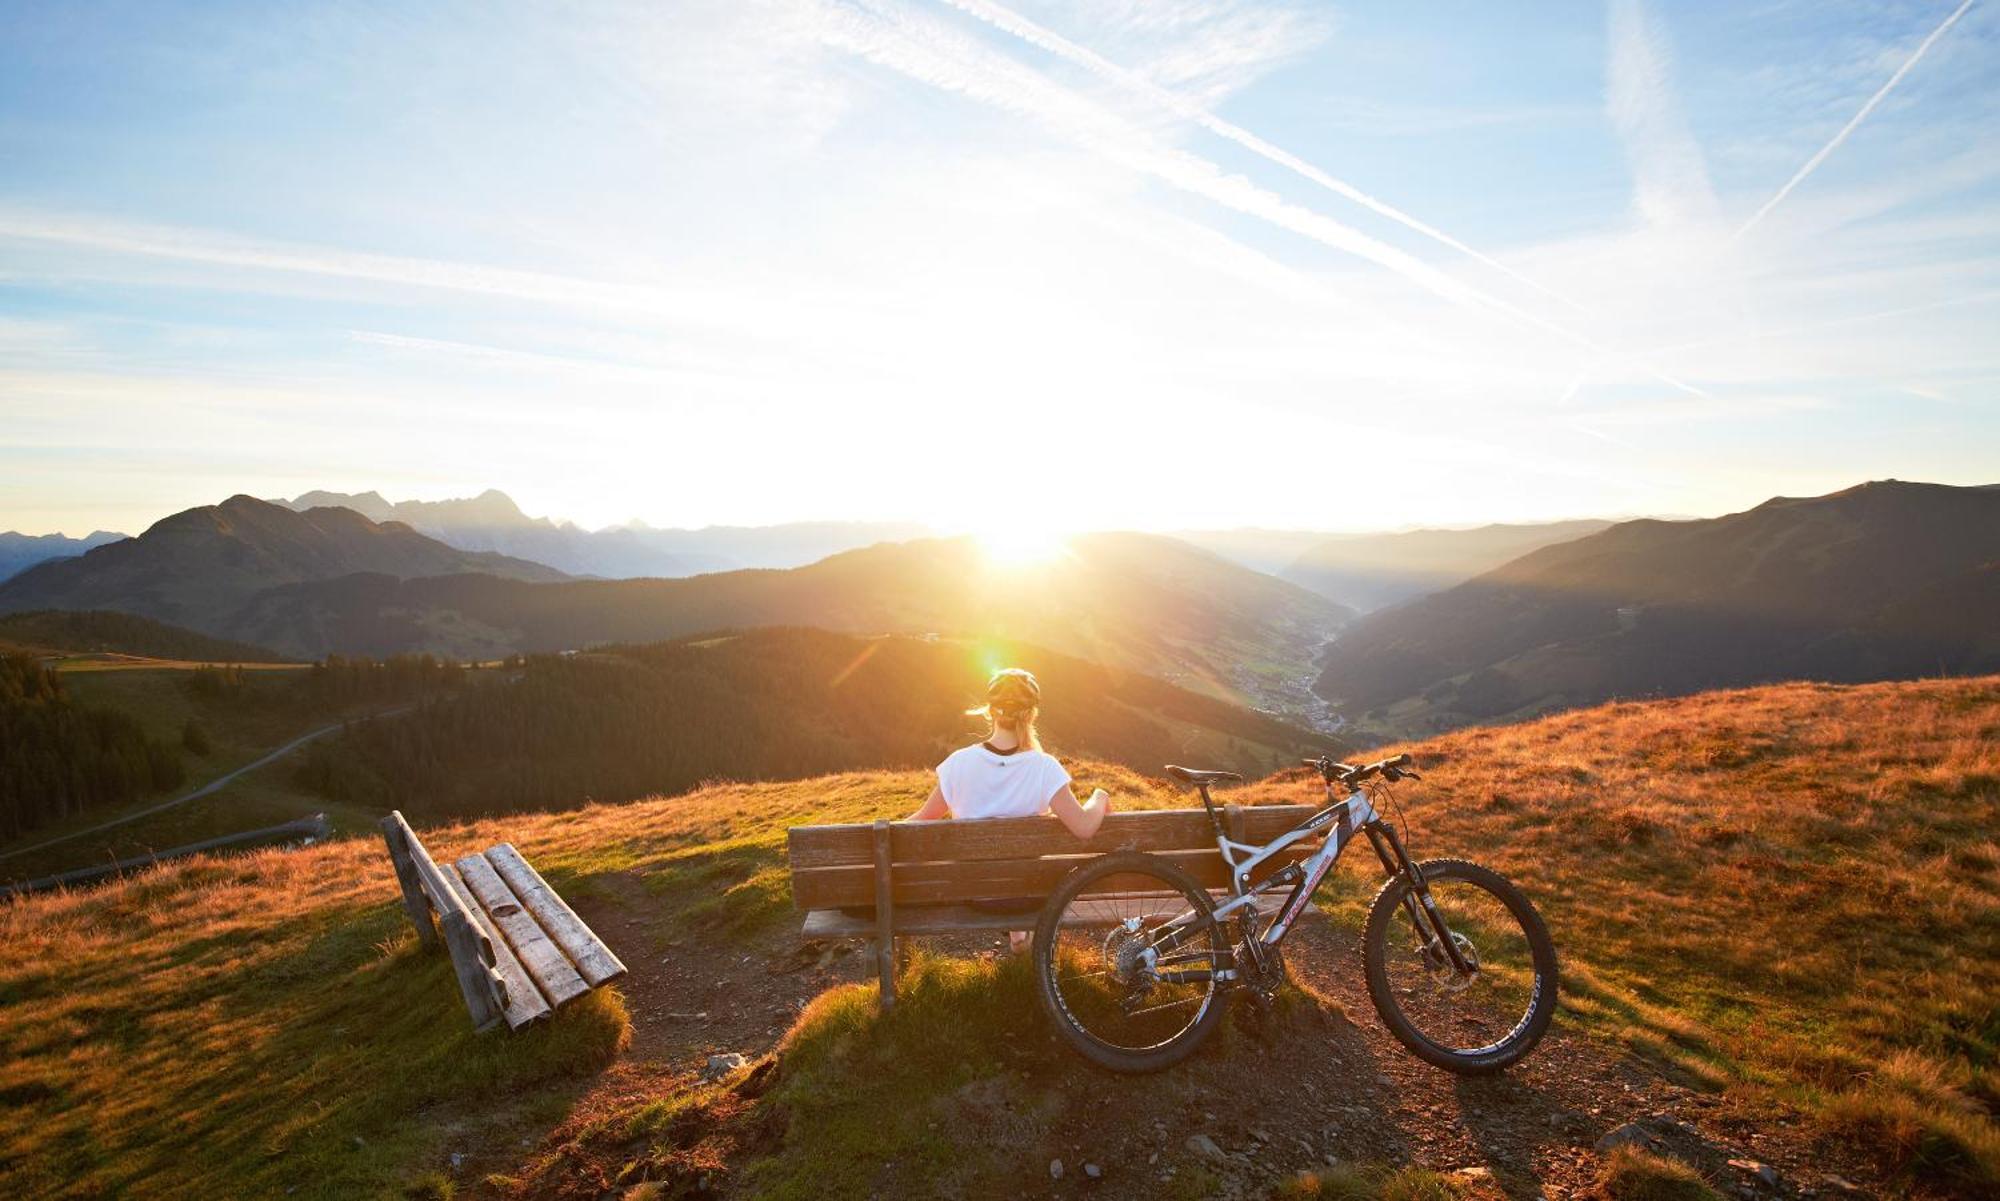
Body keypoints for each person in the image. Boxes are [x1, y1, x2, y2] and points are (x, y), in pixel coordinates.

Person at [908, 667, 1111, 950]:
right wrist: (1100, 797)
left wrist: (881, 834)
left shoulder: (959, 763)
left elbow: (920, 822)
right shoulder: (1044, 767)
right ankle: (1019, 935)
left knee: (1000, 872)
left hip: (976, 893)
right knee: (1019, 868)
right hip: (1028, 893)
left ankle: (1017, 936)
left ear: (990, 711)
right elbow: (1084, 827)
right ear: (1031, 715)